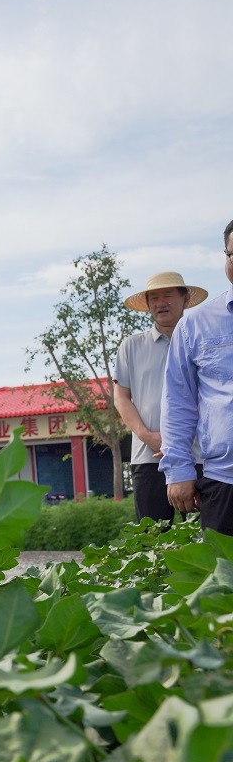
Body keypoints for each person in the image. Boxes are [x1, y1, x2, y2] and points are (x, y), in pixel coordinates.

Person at [113, 272, 206, 522]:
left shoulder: (202, 341)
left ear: (185, 299)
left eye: (167, 295)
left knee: (206, 539)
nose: (160, 302)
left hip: (199, 454)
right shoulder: (131, 346)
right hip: (148, 456)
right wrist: (148, 436)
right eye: (154, 297)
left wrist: (179, 440)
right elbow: (121, 398)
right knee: (150, 538)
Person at [161, 220, 233, 536]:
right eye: (232, 254)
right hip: (225, 481)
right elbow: (178, 402)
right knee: (222, 581)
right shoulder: (197, 325)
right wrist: (178, 469)